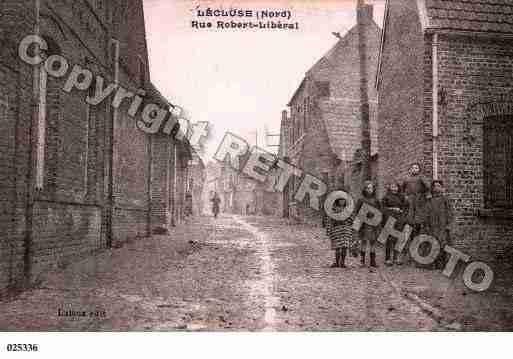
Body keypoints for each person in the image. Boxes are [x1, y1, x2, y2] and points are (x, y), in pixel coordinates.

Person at [402, 163, 431, 261]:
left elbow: (428, 186)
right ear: (410, 169)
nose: (415, 169)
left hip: (419, 202)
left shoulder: (421, 178)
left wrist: (425, 194)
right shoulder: (406, 179)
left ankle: (418, 252)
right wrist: (405, 196)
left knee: (418, 226)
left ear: (419, 169)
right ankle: (409, 252)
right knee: (410, 226)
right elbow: (403, 189)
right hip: (410, 203)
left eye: (416, 168)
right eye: (413, 168)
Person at [426, 180, 454, 269]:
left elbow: (449, 213)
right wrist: (427, 224)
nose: (436, 188)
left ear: (441, 188)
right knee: (433, 243)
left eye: (438, 186)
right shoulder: (430, 200)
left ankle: (444, 264)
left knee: (443, 244)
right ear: (432, 188)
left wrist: (448, 224)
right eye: (435, 186)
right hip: (433, 225)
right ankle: (434, 263)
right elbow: (427, 213)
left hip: (442, 225)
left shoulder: (445, 199)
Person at [381, 182, 408, 266]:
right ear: (389, 188)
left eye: (395, 187)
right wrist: (392, 209)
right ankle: (388, 258)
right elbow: (382, 208)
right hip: (389, 219)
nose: (394, 188)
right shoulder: (386, 197)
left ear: (398, 188)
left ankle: (396, 258)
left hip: (399, 220)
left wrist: (401, 211)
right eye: (392, 187)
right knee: (389, 239)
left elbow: (406, 207)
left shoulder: (401, 197)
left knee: (398, 238)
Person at [357, 180, 381, 268]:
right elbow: (357, 211)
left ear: (373, 189)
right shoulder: (361, 200)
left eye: (371, 188)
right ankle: (362, 261)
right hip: (364, 223)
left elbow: (380, 211)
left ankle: (372, 261)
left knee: (373, 242)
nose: (369, 190)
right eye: (367, 188)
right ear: (364, 189)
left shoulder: (376, 200)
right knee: (364, 241)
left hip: (374, 223)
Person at [326, 198, 354, 268]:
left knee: (345, 246)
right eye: (340, 200)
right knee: (337, 247)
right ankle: (337, 262)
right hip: (336, 230)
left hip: (345, 230)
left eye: (344, 200)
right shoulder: (333, 209)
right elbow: (329, 220)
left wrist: (348, 220)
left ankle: (343, 262)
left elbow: (352, 219)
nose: (342, 201)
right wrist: (329, 230)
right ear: (337, 200)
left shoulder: (348, 210)